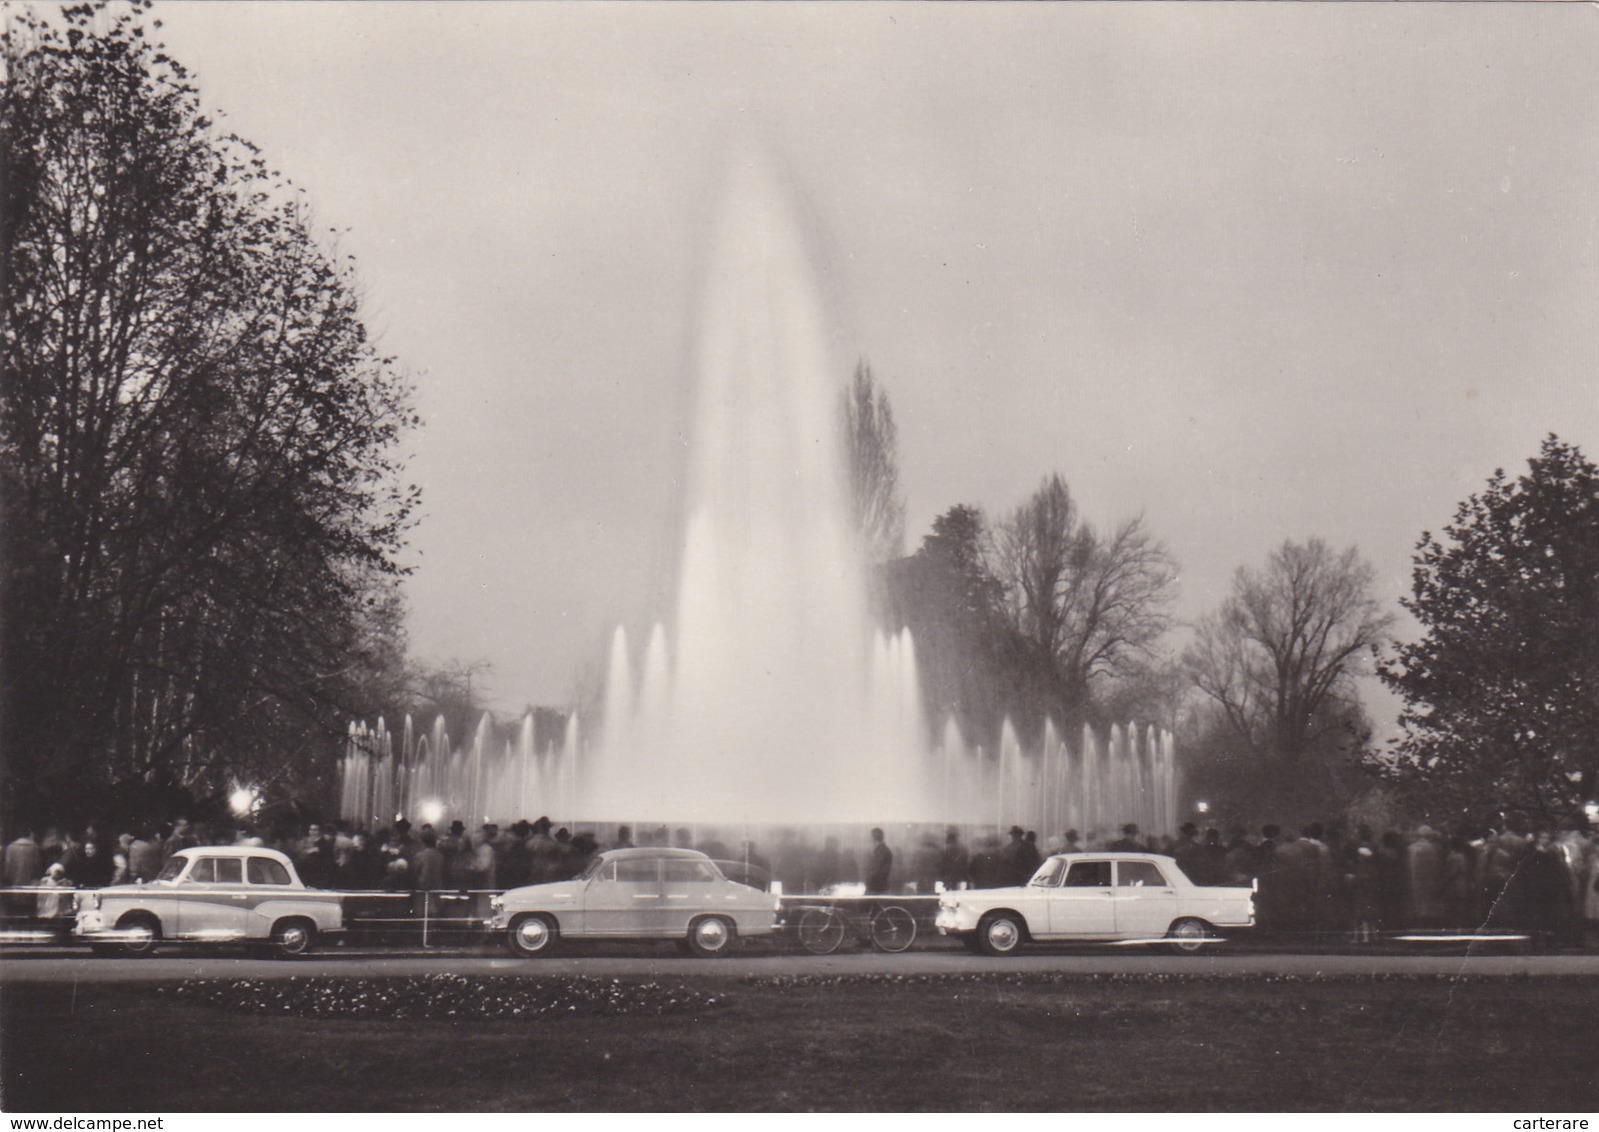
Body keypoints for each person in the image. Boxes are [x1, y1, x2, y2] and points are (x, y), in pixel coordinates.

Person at [865, 827, 893, 894]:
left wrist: (869, 881)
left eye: (870, 836)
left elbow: (876, 869)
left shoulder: (880, 851)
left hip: (876, 885)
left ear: (873, 837)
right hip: (880, 884)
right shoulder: (883, 849)